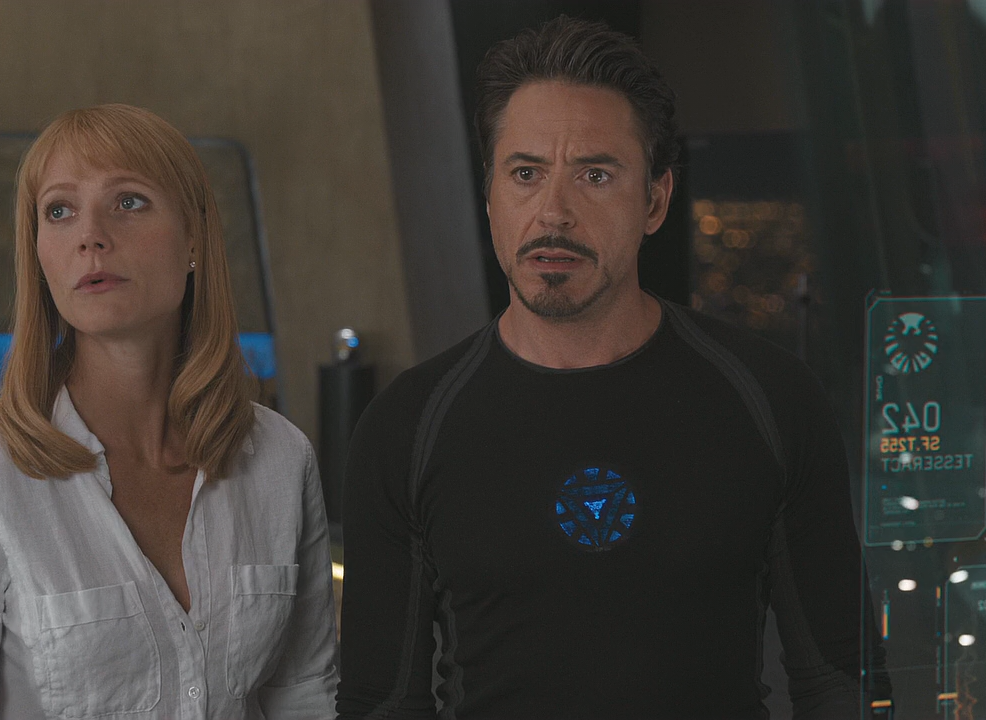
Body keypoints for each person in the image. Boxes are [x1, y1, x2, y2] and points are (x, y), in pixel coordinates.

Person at [335, 17, 889, 720]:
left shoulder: (771, 399)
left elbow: (842, 682)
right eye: (526, 174)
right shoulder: (406, 427)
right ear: (490, 196)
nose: (553, 212)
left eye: (594, 175)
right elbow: (381, 703)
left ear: (655, 200)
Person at [0, 104, 338, 719]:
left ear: (194, 238)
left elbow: (305, 696)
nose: (90, 236)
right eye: (59, 210)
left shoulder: (281, 458)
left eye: (128, 201)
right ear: (39, 255)